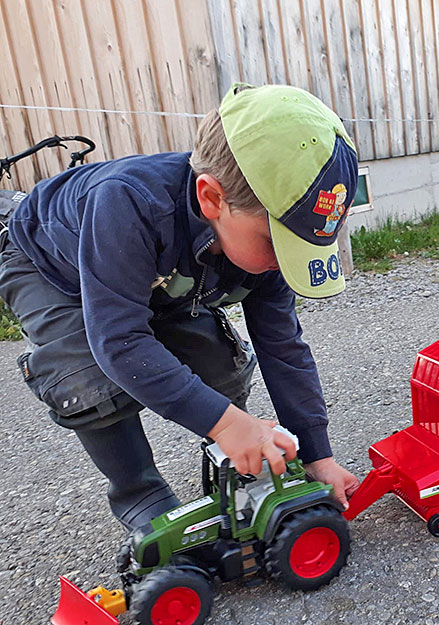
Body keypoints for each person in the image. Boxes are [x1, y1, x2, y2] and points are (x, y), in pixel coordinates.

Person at [0, 83, 360, 530]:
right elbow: (121, 338)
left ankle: (232, 471)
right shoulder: (129, 202)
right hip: (53, 268)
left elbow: (282, 346)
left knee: (220, 364)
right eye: (276, 244)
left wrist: (316, 454)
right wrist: (228, 425)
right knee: (86, 376)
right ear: (212, 199)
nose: (282, 264)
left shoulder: (253, 235)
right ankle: (141, 495)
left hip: (163, 275)